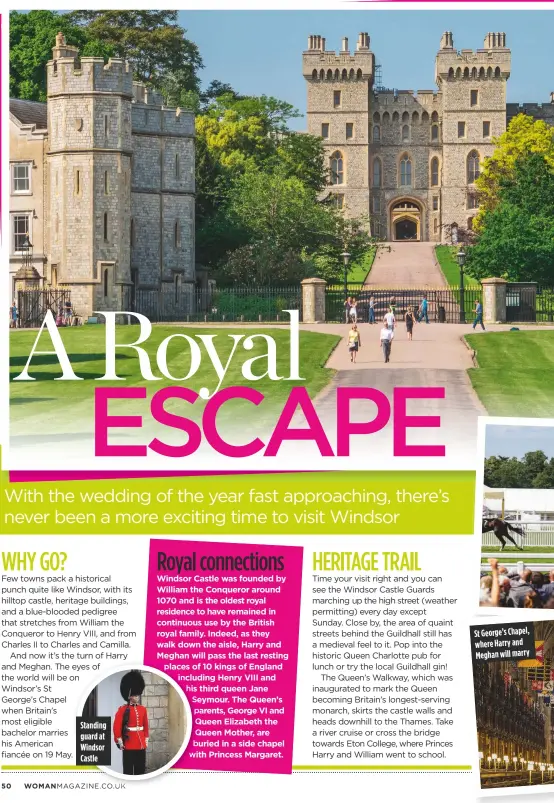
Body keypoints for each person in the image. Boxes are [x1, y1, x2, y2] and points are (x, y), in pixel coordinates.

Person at [113, 670, 149, 775]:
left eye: (138, 695)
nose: (137, 697)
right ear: (129, 695)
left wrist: (146, 739)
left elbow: (145, 725)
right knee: (128, 771)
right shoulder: (122, 709)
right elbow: (116, 726)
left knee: (140, 770)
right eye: (134, 695)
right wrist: (119, 740)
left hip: (141, 744)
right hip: (128, 744)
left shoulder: (143, 709)